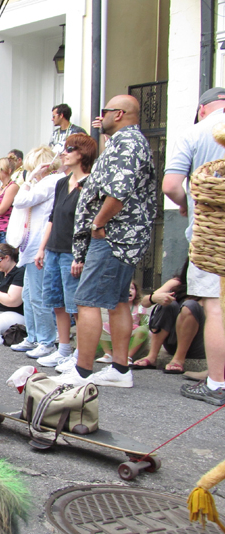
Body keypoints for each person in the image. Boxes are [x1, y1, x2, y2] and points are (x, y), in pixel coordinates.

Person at [57, 95, 157, 389]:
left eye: (105, 112)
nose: (100, 118)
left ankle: (83, 370)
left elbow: (119, 192)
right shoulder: (126, 143)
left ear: (121, 113)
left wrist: (98, 224)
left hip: (113, 236)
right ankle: (120, 369)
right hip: (121, 236)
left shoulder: (128, 144)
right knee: (116, 302)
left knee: (88, 301)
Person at [163, 86, 225, 406]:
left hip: (212, 235)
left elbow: (171, 185)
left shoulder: (197, 133)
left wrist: (185, 204)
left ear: (203, 109)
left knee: (215, 307)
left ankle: (217, 384)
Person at [33, 134, 97, 371]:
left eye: (69, 149)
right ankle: (64, 350)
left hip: (73, 253)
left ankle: (80, 353)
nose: (63, 153)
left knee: (76, 306)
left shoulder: (90, 184)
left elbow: (89, 223)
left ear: (82, 154)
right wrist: (41, 248)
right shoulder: (62, 182)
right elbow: (52, 218)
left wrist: (81, 256)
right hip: (53, 250)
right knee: (56, 303)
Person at [8, 146, 63, 359]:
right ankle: (34, 337)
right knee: (29, 294)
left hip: (39, 246)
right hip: (32, 246)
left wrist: (30, 177)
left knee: (38, 296)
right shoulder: (48, 182)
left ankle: (46, 340)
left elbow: (20, 201)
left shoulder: (51, 182)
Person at [132, 261, 206, 373]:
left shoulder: (214, 288)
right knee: (169, 305)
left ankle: (179, 359)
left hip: (199, 345)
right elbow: (144, 302)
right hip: (172, 342)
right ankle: (152, 356)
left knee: (191, 306)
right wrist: (156, 298)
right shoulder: (177, 283)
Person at [97, 280, 148, 363]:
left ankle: (128, 357)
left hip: (132, 332)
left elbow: (145, 324)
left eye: (132, 288)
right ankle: (108, 354)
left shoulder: (139, 306)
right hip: (116, 332)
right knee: (99, 326)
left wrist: (138, 328)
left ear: (136, 292)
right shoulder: (116, 306)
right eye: (126, 288)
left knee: (143, 330)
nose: (129, 290)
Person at [0, 157, 19, 245]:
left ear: (9, 171)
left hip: (6, 231)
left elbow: (0, 210)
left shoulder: (12, 187)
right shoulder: (2, 187)